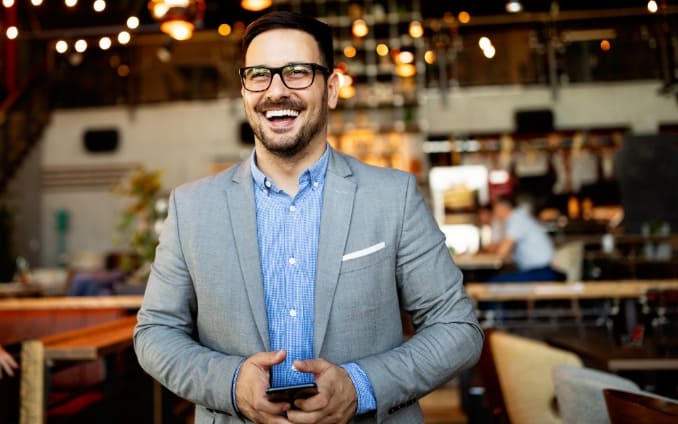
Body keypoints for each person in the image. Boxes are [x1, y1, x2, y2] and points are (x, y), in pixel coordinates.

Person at [134, 11, 482, 424]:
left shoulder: (394, 197)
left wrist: (359, 386)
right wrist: (230, 384)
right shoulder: (191, 208)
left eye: (297, 72)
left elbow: (458, 328)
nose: (276, 91)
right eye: (259, 75)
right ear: (244, 90)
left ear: (332, 89)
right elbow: (154, 332)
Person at [485, 195, 563, 282]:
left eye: (495, 207)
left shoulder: (517, 219)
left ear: (503, 207)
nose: (493, 211)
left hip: (541, 272)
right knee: (496, 278)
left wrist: (495, 248)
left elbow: (502, 251)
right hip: (539, 270)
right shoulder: (517, 217)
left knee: (493, 282)